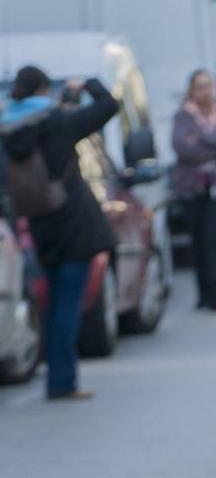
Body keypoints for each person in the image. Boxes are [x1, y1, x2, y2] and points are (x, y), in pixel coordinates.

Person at [0, 66, 119, 400]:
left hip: (37, 223)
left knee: (52, 303)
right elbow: (109, 106)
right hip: (71, 223)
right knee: (68, 303)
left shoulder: (8, 130)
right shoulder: (56, 123)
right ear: (42, 88)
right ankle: (62, 382)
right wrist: (88, 84)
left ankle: (56, 375)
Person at [171, 69, 216, 311]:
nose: (204, 91)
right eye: (199, 86)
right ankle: (203, 293)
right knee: (199, 241)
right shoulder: (183, 116)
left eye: (207, 85)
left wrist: (200, 137)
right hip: (193, 188)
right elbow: (183, 148)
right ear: (191, 90)